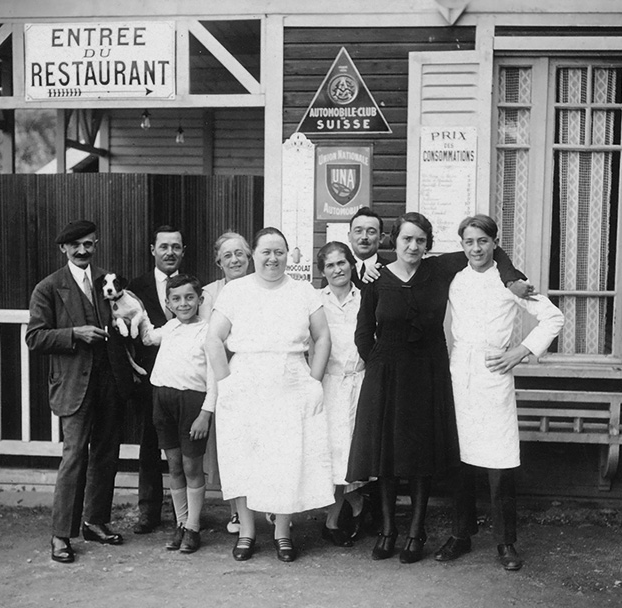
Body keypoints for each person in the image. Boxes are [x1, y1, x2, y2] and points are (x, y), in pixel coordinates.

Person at [346, 212, 529, 564]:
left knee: (419, 456)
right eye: (406, 239)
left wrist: (510, 279)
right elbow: (362, 331)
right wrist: (380, 362)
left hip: (428, 375)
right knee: (386, 457)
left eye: (420, 240)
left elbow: (490, 249)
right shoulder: (376, 278)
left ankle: (416, 532)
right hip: (387, 375)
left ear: (428, 245)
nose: (413, 246)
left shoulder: (439, 270)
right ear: (394, 242)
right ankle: (388, 530)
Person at [434, 215, 564, 571]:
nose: (476, 248)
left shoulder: (511, 282)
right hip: (459, 374)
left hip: (494, 375)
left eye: (482, 241)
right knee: (459, 461)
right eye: (469, 242)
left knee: (500, 463)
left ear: (495, 243)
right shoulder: (454, 277)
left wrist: (520, 352)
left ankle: (506, 543)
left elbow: (554, 318)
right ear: (462, 245)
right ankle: (462, 535)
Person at [206, 227, 333, 563]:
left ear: (287, 255)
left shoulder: (303, 291)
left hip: (290, 383)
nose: (273, 258)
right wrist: (227, 382)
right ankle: (247, 532)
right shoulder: (236, 292)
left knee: (284, 459)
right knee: (244, 458)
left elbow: (322, 339)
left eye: (279, 252)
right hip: (246, 384)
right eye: (266, 252)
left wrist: (313, 381)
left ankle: (282, 532)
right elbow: (213, 340)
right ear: (254, 255)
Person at [25, 220, 136, 564]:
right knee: (75, 456)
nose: (84, 250)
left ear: (96, 243)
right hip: (74, 383)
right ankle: (61, 535)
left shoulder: (109, 280)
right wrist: (74, 334)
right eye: (76, 246)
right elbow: (35, 337)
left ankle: (95, 521)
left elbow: (127, 316)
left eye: (89, 244)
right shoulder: (49, 288)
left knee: (106, 453)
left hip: (109, 381)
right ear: (64, 249)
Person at [139, 274, 216, 554]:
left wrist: (205, 414)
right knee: (173, 466)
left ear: (200, 300)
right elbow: (147, 337)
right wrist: (131, 310)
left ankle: (193, 526)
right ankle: (180, 523)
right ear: (169, 303)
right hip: (163, 401)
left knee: (191, 467)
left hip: (192, 404)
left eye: (189, 297)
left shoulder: (208, 331)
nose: (183, 304)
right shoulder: (169, 328)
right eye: (176, 299)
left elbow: (214, 378)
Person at [128, 225, 185, 535]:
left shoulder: (191, 287)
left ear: (183, 252)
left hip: (183, 378)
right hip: (149, 378)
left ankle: (184, 514)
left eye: (176, 247)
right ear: (153, 250)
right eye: (164, 246)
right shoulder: (136, 287)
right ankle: (149, 511)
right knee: (150, 444)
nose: (169, 252)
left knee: (183, 447)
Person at [197, 231, 252, 535]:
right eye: (228, 255)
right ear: (219, 261)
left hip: (257, 376)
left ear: (249, 257)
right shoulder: (209, 294)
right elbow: (209, 339)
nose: (235, 260)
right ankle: (235, 511)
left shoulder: (262, 287)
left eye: (240, 254)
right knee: (230, 448)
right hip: (223, 375)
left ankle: (269, 505)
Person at [316, 241, 368, 547]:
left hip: (360, 383)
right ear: (323, 271)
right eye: (330, 265)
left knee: (356, 455)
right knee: (334, 455)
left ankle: (356, 508)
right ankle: (334, 520)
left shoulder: (365, 298)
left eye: (342, 263)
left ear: (351, 264)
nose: (338, 270)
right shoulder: (314, 301)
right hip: (329, 385)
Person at [347, 206, 395, 287]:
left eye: (371, 232)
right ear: (349, 236)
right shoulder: (340, 270)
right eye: (358, 231)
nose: (364, 237)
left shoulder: (391, 270)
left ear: (381, 238)